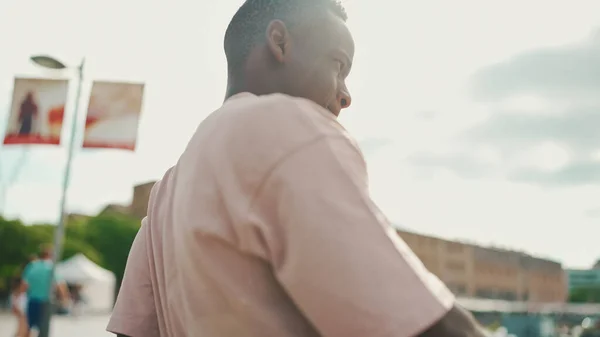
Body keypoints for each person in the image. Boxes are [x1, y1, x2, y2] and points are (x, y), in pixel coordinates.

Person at [107, 0, 486, 336]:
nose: (345, 94)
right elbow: (423, 326)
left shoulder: (166, 191)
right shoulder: (286, 124)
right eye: (338, 64)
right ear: (280, 42)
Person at [22, 245, 69, 335]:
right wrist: (64, 299)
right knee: (43, 328)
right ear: (50, 256)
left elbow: (24, 285)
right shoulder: (51, 267)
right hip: (45, 302)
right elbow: (60, 285)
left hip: (32, 300)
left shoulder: (32, 266)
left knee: (29, 327)